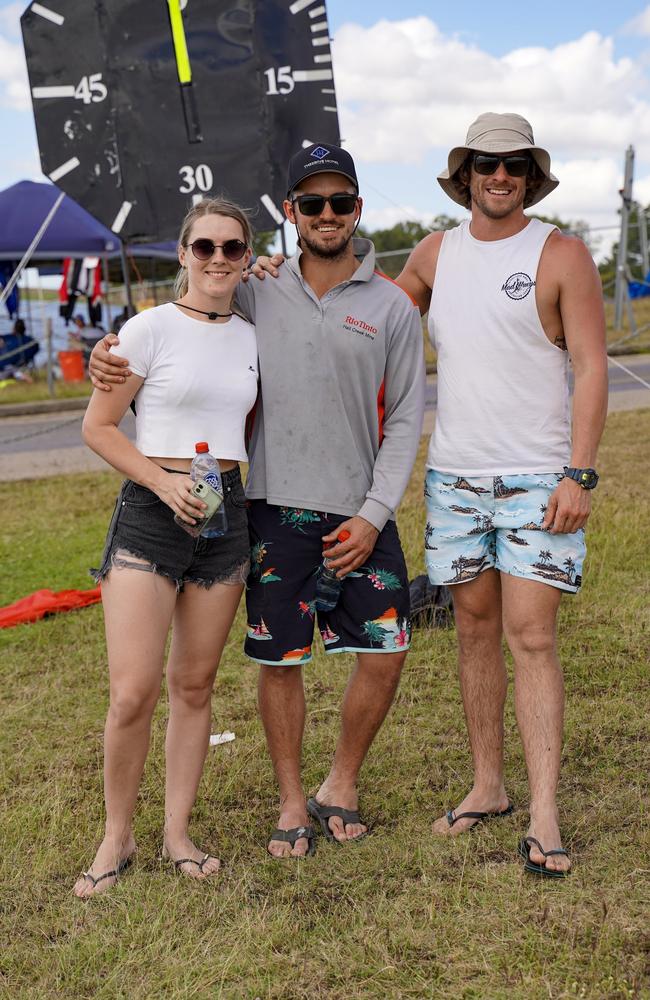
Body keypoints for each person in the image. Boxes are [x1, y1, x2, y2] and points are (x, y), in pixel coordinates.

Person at [89, 143, 425, 859]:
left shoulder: (380, 306)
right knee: (254, 666)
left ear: (357, 209)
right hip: (243, 509)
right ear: (291, 214)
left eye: (339, 202)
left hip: (314, 513)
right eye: (311, 203)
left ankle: (332, 785)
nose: (326, 214)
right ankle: (275, 805)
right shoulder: (243, 293)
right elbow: (143, 360)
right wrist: (102, 353)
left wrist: (373, 513)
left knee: (377, 654)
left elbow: (403, 420)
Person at [396, 113, 608, 877]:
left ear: (529, 175)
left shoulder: (560, 253)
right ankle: (489, 785)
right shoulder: (432, 254)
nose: (500, 175)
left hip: (536, 479)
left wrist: (578, 473)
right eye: (487, 162)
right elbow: (369, 319)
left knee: (533, 637)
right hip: (455, 478)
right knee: (473, 630)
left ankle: (545, 815)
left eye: (514, 164)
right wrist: (276, 282)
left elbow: (590, 365)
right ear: (466, 173)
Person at [74, 197, 257, 896]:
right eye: (204, 246)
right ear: (183, 254)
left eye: (232, 248)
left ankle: (177, 832)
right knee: (132, 692)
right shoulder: (144, 331)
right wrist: (162, 482)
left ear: (246, 258)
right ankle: (115, 837)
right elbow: (99, 426)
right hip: (153, 514)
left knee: (194, 685)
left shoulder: (250, 335)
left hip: (224, 517)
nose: (217, 259)